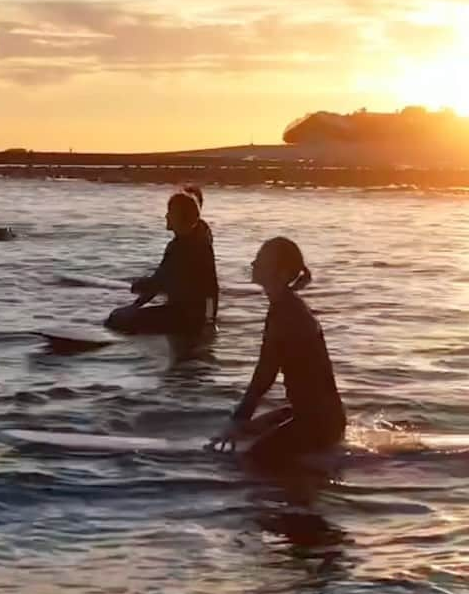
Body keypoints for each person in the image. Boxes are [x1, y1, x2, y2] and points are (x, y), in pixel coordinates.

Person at [212, 236, 345, 469]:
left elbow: (265, 375)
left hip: (318, 423)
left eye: (261, 260)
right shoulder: (285, 306)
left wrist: (238, 419)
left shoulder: (287, 314)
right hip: (318, 416)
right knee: (249, 431)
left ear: (282, 274)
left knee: (250, 462)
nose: (253, 263)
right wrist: (242, 422)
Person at [105, 191, 218, 336]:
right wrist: (210, 320)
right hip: (189, 315)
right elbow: (162, 281)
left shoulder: (179, 248)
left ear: (180, 217)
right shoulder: (198, 243)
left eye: (170, 212)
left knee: (115, 320)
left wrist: (135, 302)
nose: (166, 216)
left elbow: (159, 282)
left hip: (182, 316)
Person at [183, 184, 218, 321]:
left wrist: (210, 318)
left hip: (192, 309)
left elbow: (211, 283)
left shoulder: (201, 237)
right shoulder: (183, 238)